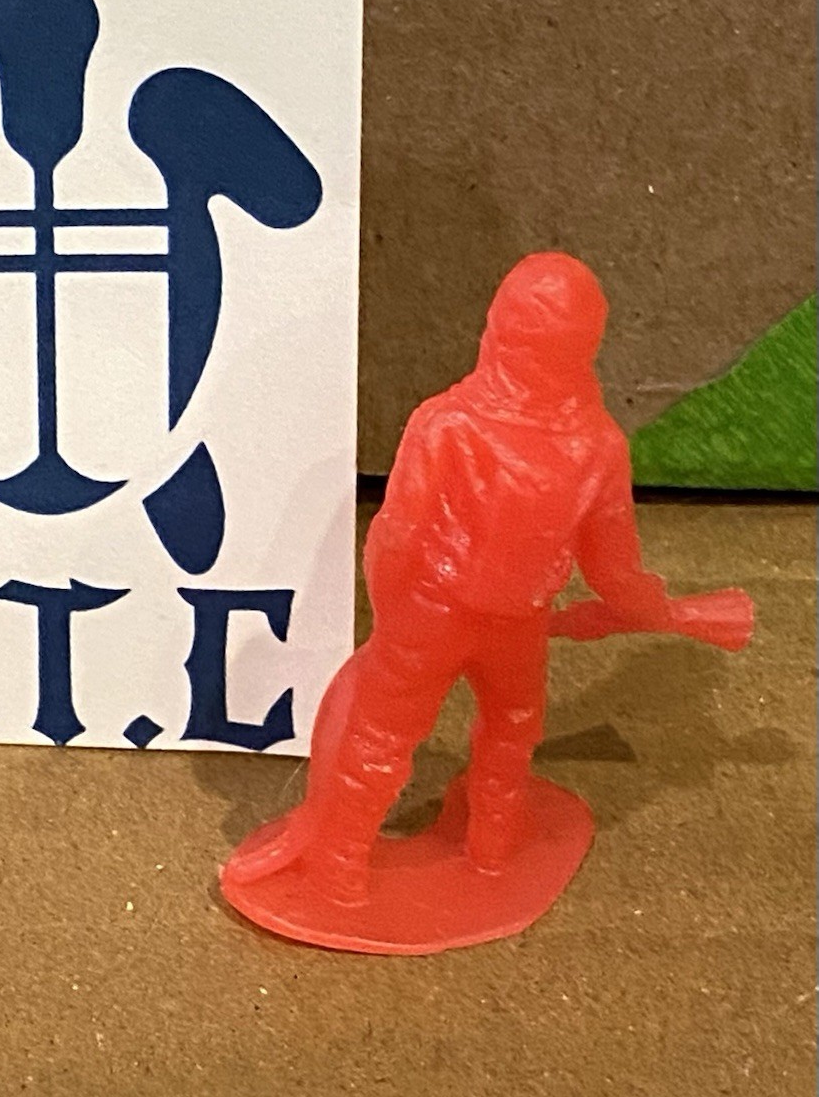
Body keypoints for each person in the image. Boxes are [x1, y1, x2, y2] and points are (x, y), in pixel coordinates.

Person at [234, 251, 670, 903]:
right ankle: (489, 845)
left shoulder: (448, 423)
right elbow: (612, 568)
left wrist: (394, 624)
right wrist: (647, 603)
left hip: (435, 614)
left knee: (385, 734)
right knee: (511, 728)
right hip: (516, 620)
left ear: (500, 330)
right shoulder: (597, 443)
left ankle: (343, 866)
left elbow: (397, 534)